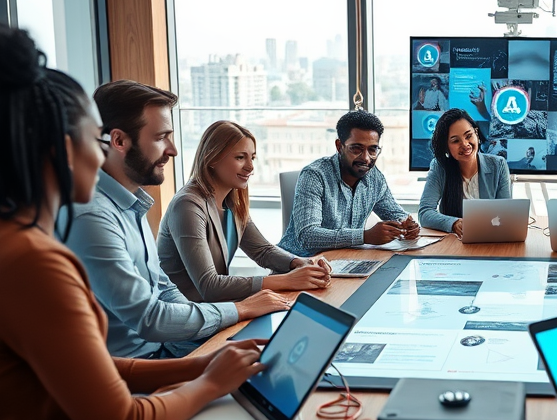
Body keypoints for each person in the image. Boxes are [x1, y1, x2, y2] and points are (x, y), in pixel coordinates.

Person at [0, 25, 268, 420]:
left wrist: (198, 367)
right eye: (95, 140)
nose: (102, 156)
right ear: (62, 149)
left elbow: (88, 365)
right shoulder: (31, 261)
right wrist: (210, 386)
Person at [65, 80, 287, 359]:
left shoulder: (131, 205)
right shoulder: (94, 218)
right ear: (119, 141)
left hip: (168, 347)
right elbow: (150, 318)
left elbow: (165, 288)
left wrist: (205, 336)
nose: (173, 150)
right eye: (161, 138)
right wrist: (240, 309)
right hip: (139, 366)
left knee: (273, 353)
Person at [157, 120, 332, 303]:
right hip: (184, 314)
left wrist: (300, 263)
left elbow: (262, 251)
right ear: (213, 159)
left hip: (213, 309)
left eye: (252, 158)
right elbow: (209, 286)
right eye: (240, 157)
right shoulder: (187, 205)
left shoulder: (232, 200)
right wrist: (288, 280)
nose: (250, 167)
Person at [278, 109, 418, 254]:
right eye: (356, 149)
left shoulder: (374, 177)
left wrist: (407, 224)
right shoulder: (315, 176)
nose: (366, 158)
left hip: (346, 260)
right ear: (339, 146)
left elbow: (393, 212)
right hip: (299, 263)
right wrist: (365, 236)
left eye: (372, 150)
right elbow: (307, 236)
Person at [418, 109, 511, 236]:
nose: (465, 144)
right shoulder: (440, 167)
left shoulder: (498, 165)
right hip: (454, 244)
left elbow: (506, 213)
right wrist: (454, 223)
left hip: (490, 240)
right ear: (446, 146)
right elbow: (425, 213)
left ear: (476, 134)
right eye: (455, 141)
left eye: (468, 136)